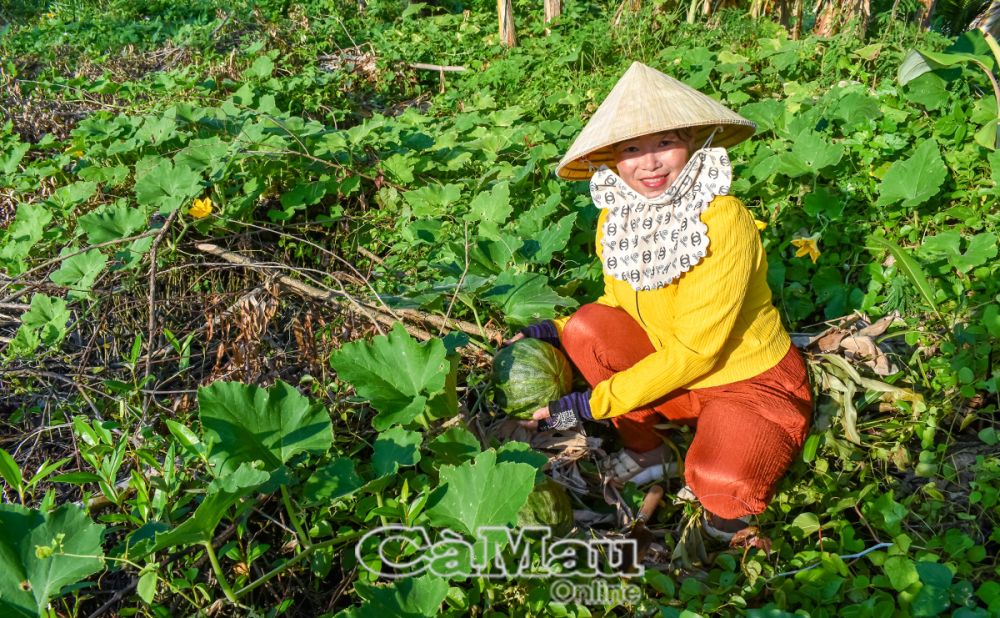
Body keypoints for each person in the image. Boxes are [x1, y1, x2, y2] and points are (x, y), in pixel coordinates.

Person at [509, 61, 813, 539]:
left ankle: (724, 518)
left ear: (690, 143)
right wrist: (556, 330)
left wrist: (588, 406)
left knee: (721, 482)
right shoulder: (618, 219)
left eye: (664, 143)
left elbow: (697, 351)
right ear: (612, 157)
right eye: (631, 149)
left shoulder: (722, 218)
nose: (649, 163)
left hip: (746, 379)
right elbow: (618, 299)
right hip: (676, 371)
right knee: (588, 326)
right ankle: (652, 450)